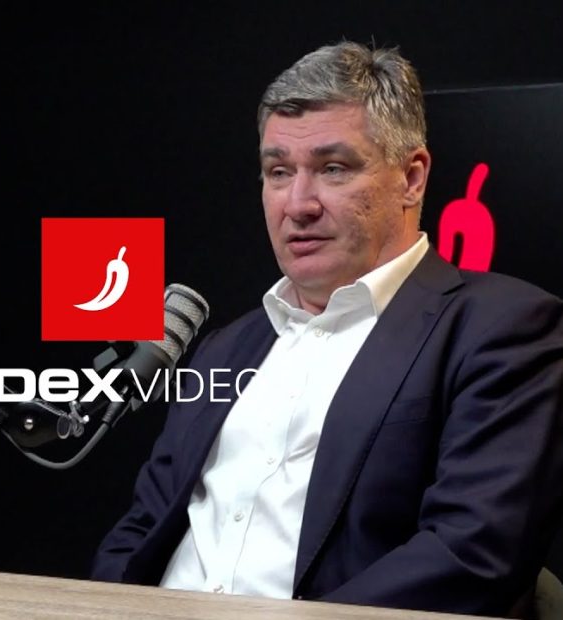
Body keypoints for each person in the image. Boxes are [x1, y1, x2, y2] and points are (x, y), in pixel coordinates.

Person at [90, 41, 563, 618]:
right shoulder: (225, 349)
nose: (298, 204)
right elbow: (140, 530)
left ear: (412, 178)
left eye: (333, 169)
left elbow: (471, 554)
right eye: (278, 172)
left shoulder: (502, 328)